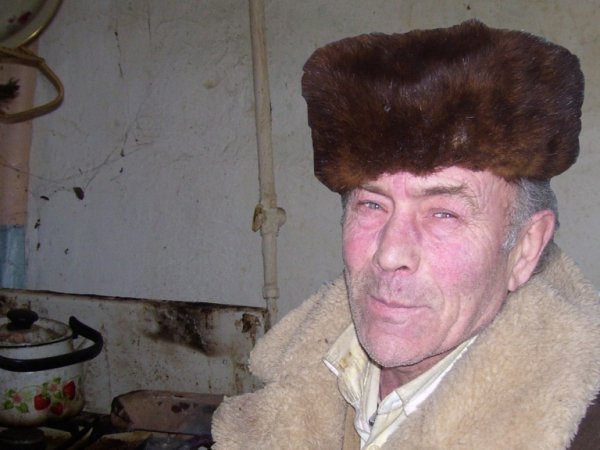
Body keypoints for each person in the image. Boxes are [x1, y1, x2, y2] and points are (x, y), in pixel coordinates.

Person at [211, 20, 600, 449]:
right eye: (372, 204)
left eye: (444, 214)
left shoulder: (574, 432)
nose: (391, 252)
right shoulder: (296, 382)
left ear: (525, 249)